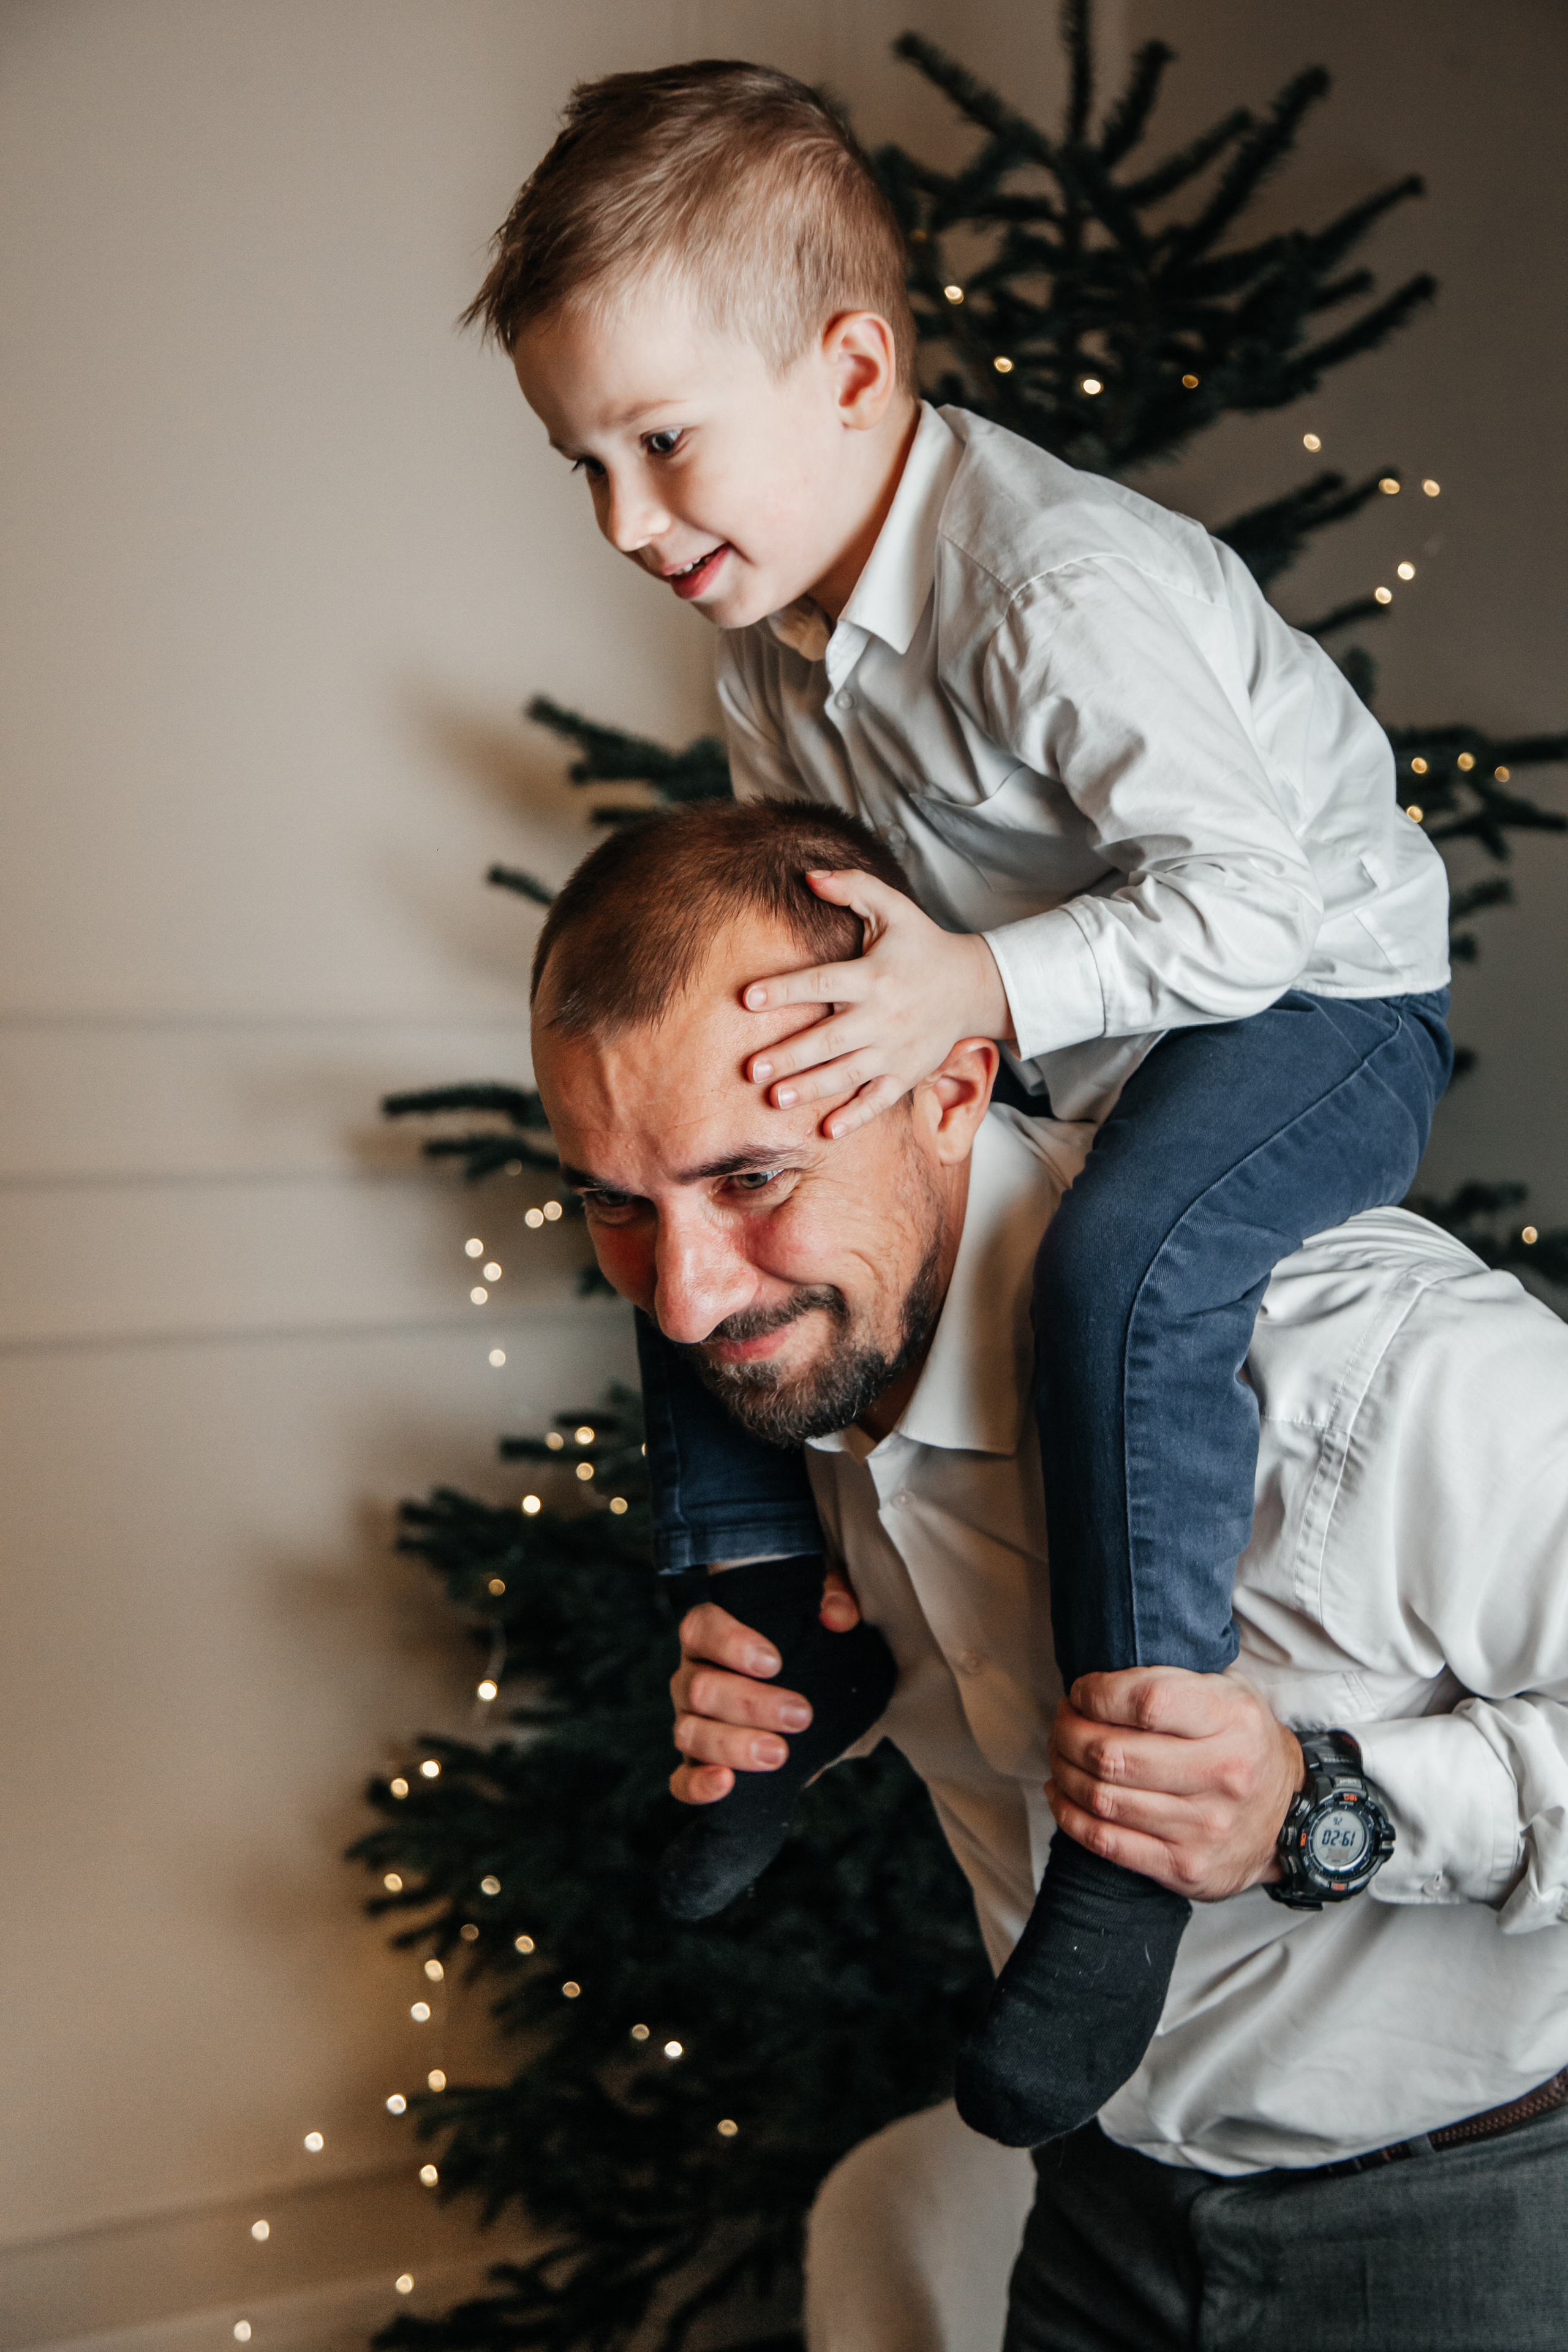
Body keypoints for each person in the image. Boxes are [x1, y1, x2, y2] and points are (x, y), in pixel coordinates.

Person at [467, 58, 1452, 2144]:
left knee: (1120, 1276)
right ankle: (772, 1623)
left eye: (660, 443)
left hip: (1307, 1002)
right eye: (584, 466)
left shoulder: (1048, 591)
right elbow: (800, 932)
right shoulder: (772, 652)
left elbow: (1255, 910)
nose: (629, 522)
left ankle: (1116, 1846)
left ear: (850, 366)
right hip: (1046, 1024)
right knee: (690, 1224)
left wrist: (984, 983)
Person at [529, 800, 1568, 2351]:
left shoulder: (1384, 1367)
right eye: (617, 1203)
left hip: (1464, 2226)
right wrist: (832, 1702)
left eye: (747, 1177)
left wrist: (1321, 1807)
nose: (679, 1301)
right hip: (1096, 2207)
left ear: (950, 1087)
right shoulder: (812, 1345)